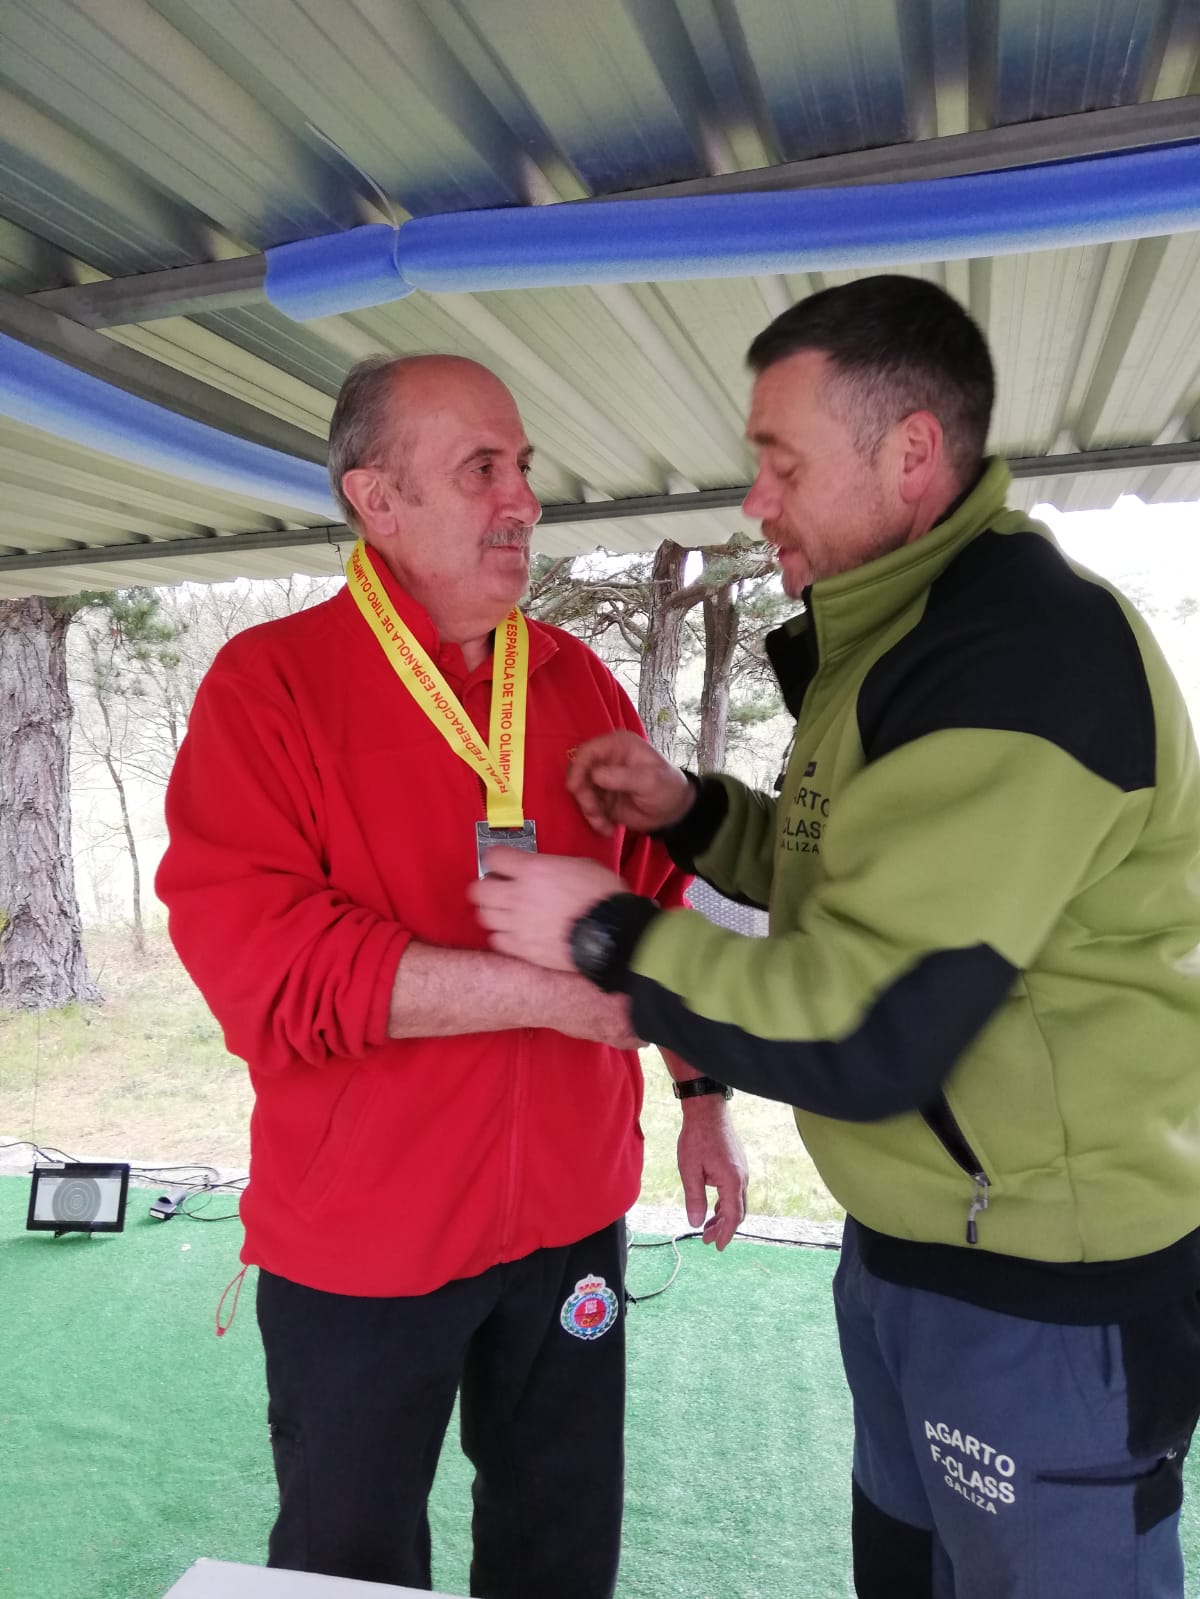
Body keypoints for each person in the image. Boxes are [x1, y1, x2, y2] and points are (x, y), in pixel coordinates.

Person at [470, 276, 1200, 1599]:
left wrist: (611, 931)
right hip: (914, 1251)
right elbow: (856, 877)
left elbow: (870, 1018)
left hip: (1043, 1290)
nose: (758, 500)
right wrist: (694, 813)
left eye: (781, 461)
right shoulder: (898, 644)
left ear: (911, 453)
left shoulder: (1023, 657)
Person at [155, 353, 747, 1599]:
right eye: (484, 468)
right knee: (350, 1562)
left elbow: (657, 895)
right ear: (377, 498)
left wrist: (703, 1098)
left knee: (559, 1541)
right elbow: (268, 965)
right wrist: (548, 995)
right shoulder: (269, 687)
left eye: (524, 467)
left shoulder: (575, 679)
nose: (524, 499)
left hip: (572, 1210)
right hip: (366, 1237)